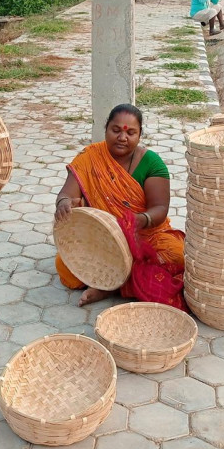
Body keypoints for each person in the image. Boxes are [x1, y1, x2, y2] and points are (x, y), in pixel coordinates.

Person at [54, 105, 187, 309]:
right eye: (116, 130)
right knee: (65, 267)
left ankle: (110, 286)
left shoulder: (152, 163)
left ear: (140, 135)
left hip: (145, 236)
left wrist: (136, 221)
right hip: (103, 237)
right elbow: (67, 193)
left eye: (130, 132)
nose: (122, 137)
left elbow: (160, 209)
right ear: (106, 128)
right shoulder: (89, 157)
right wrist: (64, 202)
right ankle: (122, 281)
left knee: (177, 256)